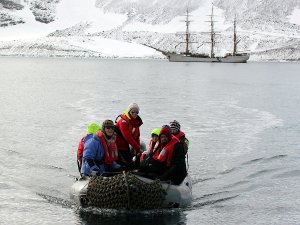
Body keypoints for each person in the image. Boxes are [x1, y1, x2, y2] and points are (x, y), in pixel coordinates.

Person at [115, 103, 143, 169]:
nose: (135, 114)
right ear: (129, 112)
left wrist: (137, 151)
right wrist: (138, 149)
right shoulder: (123, 122)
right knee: (125, 164)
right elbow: (127, 137)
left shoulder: (136, 123)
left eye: (137, 112)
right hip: (118, 146)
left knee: (132, 161)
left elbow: (137, 137)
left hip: (126, 146)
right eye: (133, 112)